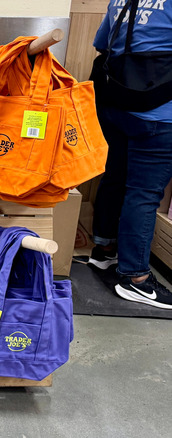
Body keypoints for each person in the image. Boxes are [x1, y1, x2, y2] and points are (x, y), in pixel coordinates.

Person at [89, 0, 172, 309]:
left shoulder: (120, 0)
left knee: (115, 177)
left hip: (116, 106)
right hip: (160, 115)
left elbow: (102, 43)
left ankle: (104, 251)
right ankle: (135, 279)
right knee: (143, 193)